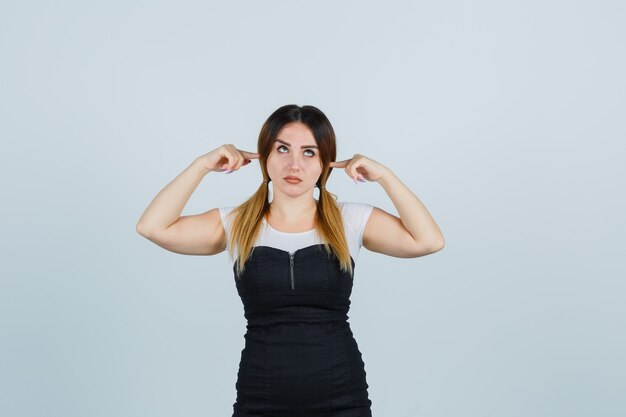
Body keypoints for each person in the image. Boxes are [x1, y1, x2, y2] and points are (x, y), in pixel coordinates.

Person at [136, 104, 445, 416]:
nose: (294, 164)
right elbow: (152, 227)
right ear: (264, 156)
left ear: (325, 162)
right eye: (282, 149)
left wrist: (385, 176)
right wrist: (202, 164)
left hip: (342, 399)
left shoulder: (350, 219)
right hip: (260, 401)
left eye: (309, 152)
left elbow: (428, 240)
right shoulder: (236, 222)